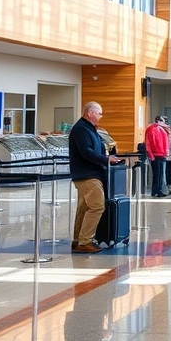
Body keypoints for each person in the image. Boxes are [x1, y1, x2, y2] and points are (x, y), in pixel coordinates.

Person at [67, 102, 122, 253]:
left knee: (84, 208)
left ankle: (78, 240)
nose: (101, 116)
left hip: (88, 174)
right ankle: (85, 241)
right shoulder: (82, 129)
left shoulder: (88, 129)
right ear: (90, 113)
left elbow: (94, 150)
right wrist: (106, 160)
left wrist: (106, 156)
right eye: (99, 113)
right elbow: (86, 152)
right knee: (97, 206)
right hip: (87, 175)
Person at [145, 116, 170, 197]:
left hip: (159, 154)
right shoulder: (156, 129)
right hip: (158, 154)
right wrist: (151, 154)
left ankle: (157, 190)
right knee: (159, 173)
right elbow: (149, 143)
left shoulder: (158, 129)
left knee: (159, 174)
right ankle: (158, 190)